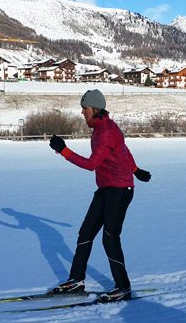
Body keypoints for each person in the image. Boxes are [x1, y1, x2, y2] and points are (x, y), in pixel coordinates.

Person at [48, 89, 151, 303]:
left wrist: (64, 151)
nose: (82, 113)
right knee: (85, 233)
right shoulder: (101, 128)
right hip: (105, 188)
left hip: (120, 190)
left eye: (84, 109)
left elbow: (91, 164)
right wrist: (135, 169)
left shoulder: (105, 132)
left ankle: (123, 287)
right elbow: (123, 150)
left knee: (110, 238)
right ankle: (76, 280)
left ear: (95, 109)